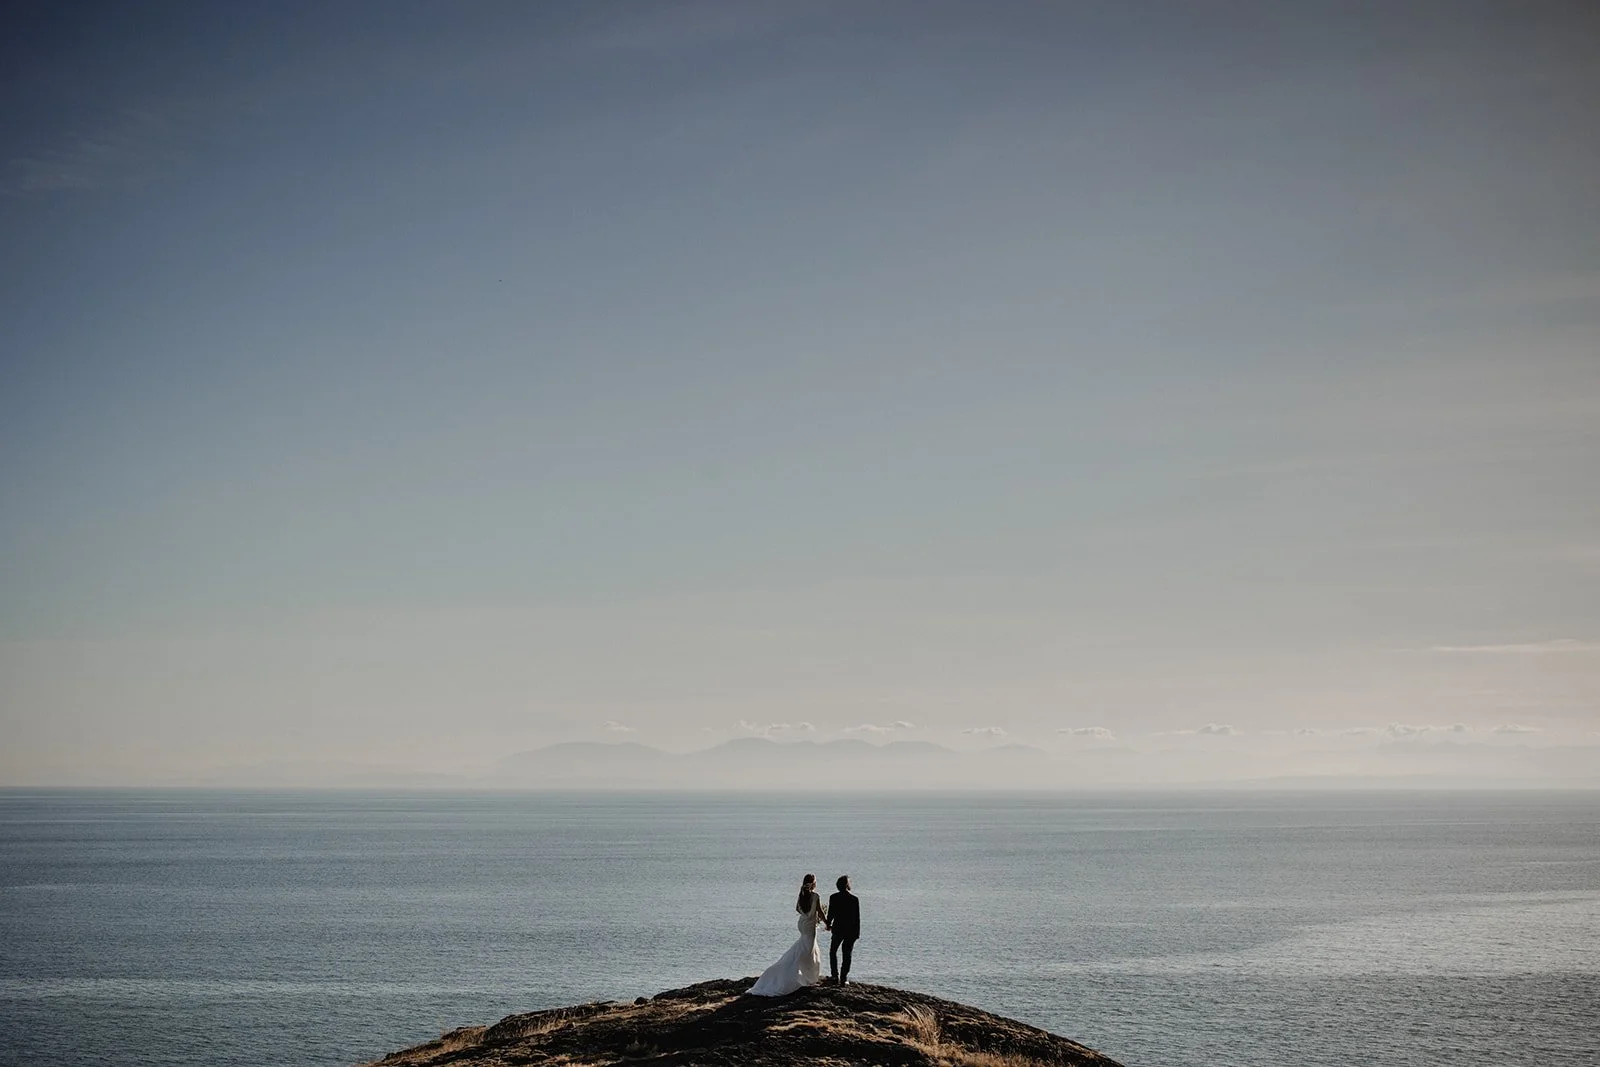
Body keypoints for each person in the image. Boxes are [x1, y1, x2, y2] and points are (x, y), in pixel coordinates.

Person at [747, 873, 830, 996]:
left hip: (802, 924)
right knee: (808, 949)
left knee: (805, 946)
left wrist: (806, 914)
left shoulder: (802, 896)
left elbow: (797, 909)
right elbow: (820, 912)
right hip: (810, 927)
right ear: (813, 883)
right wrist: (827, 923)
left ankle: (804, 972)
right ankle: (804, 974)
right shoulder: (815, 896)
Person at [828, 874, 860, 985]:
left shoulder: (833, 897)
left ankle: (834, 976)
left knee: (833, 952)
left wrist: (828, 924)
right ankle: (843, 977)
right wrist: (857, 933)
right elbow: (857, 918)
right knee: (847, 954)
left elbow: (830, 913)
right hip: (850, 930)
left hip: (838, 928)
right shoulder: (854, 899)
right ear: (847, 885)